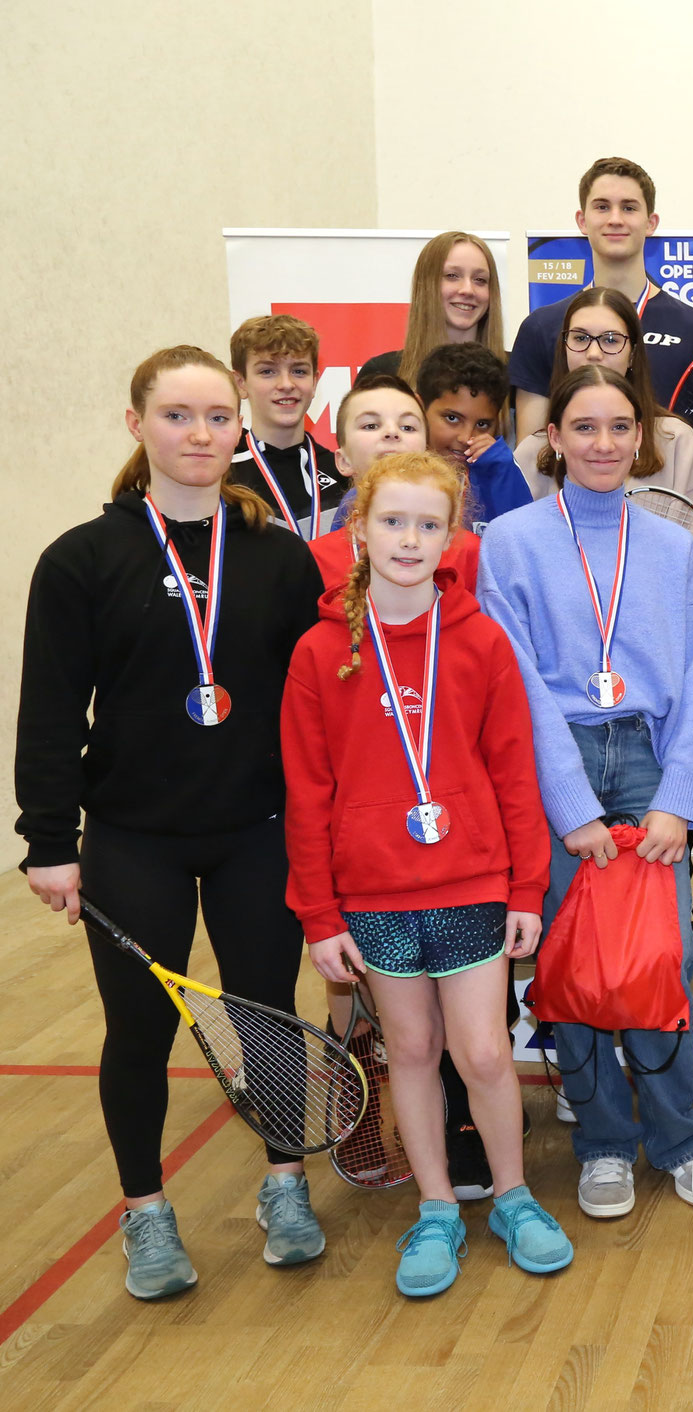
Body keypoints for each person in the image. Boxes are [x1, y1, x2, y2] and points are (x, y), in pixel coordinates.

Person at [17, 346, 325, 1298]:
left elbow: (317, 708)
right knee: (138, 1031)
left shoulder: (278, 556)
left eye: (217, 418)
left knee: (266, 1019)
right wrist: (48, 841)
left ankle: (285, 1185)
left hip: (255, 829)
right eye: (178, 416)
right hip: (133, 837)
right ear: (137, 424)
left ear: (241, 430)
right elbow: (52, 709)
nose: (200, 435)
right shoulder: (81, 559)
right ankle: (145, 1211)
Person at [282, 450, 571, 1297]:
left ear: (453, 536)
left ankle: (514, 1196)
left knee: (483, 1051)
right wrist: (319, 916)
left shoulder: (479, 639)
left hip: (472, 882)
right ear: (359, 531)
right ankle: (437, 1206)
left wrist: (525, 887)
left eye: (428, 524)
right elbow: (307, 791)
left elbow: (515, 771)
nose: (410, 539)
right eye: (393, 521)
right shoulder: (319, 650)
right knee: (409, 1048)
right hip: (369, 893)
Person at [478, 364, 693, 1216]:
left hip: (651, 757)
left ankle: (681, 1134)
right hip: (560, 759)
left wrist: (680, 797)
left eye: (619, 428)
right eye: (583, 428)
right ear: (553, 440)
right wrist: (572, 806)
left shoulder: (668, 543)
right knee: (575, 962)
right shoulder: (509, 541)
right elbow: (515, 688)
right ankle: (604, 1142)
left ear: (642, 440)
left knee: (664, 957)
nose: (603, 444)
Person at [510, 157, 693, 449]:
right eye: (602, 207)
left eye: (628, 207)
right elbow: (532, 451)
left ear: (650, 223)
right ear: (582, 220)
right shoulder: (540, 327)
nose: (615, 218)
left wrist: (671, 494)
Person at [514, 286, 693, 532]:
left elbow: (692, 557)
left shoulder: (676, 441)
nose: (594, 353)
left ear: (633, 354)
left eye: (611, 340)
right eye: (580, 338)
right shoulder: (531, 452)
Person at [311, 374, 482, 591]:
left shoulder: (468, 552)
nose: (392, 433)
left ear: (427, 452)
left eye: (408, 427)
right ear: (344, 461)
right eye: (371, 425)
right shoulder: (314, 560)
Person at [228, 314, 341, 538]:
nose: (286, 384)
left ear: (315, 381)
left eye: (299, 371)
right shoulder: (222, 473)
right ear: (241, 384)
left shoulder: (343, 470)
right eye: (267, 371)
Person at [359, 231, 508, 386]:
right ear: (426, 286)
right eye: (452, 276)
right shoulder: (383, 374)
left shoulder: (517, 374)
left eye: (480, 279)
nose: (468, 290)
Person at [415, 343, 532, 533]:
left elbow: (525, 542)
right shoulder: (390, 475)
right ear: (418, 408)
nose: (466, 437)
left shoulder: (500, 472)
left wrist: (501, 473)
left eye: (482, 424)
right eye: (452, 418)